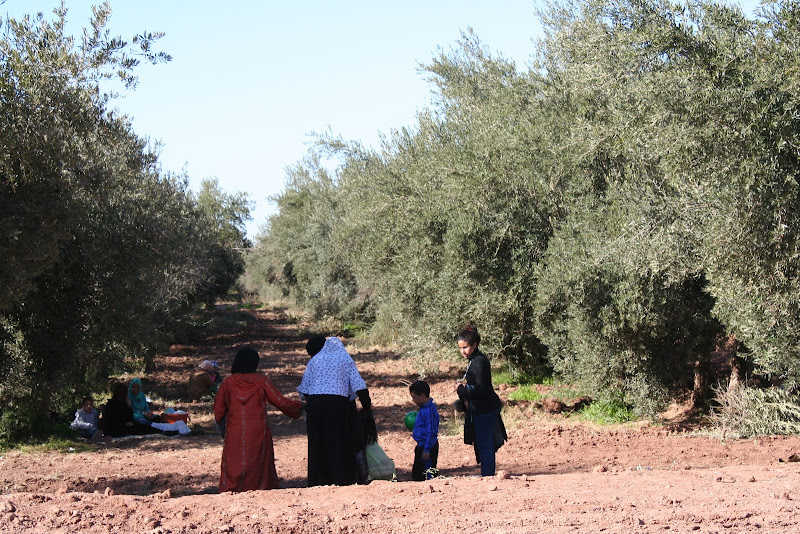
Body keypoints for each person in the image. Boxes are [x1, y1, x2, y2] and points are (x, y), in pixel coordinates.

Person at [214, 347, 304, 492]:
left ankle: (232, 487)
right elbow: (280, 401)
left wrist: (221, 424)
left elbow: (219, 408)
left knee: (234, 459)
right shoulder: (262, 381)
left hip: (235, 428)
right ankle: (260, 487)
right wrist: (299, 406)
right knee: (257, 459)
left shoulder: (228, 382)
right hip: (258, 427)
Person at [298, 336, 372, 487]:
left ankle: (318, 480)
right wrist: (367, 407)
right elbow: (359, 386)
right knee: (338, 441)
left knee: (317, 442)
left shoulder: (314, 361)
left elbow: (304, 389)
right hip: (337, 405)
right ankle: (341, 478)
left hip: (315, 405)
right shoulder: (345, 359)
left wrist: (313, 401)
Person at [454, 324, 506, 476]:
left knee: (485, 443)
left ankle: (488, 475)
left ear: (475, 345)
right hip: (481, 408)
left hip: (485, 409)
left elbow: (482, 390)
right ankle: (486, 473)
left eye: (465, 347)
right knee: (483, 442)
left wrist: (461, 390)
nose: (463, 351)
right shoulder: (474, 359)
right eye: (460, 348)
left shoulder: (479, 362)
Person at [409, 380, 440, 481]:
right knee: (417, 473)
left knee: (428, 473)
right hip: (421, 445)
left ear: (422, 395)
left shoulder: (429, 410)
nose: (413, 400)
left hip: (428, 446)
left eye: (414, 397)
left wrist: (427, 449)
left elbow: (431, 431)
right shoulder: (422, 409)